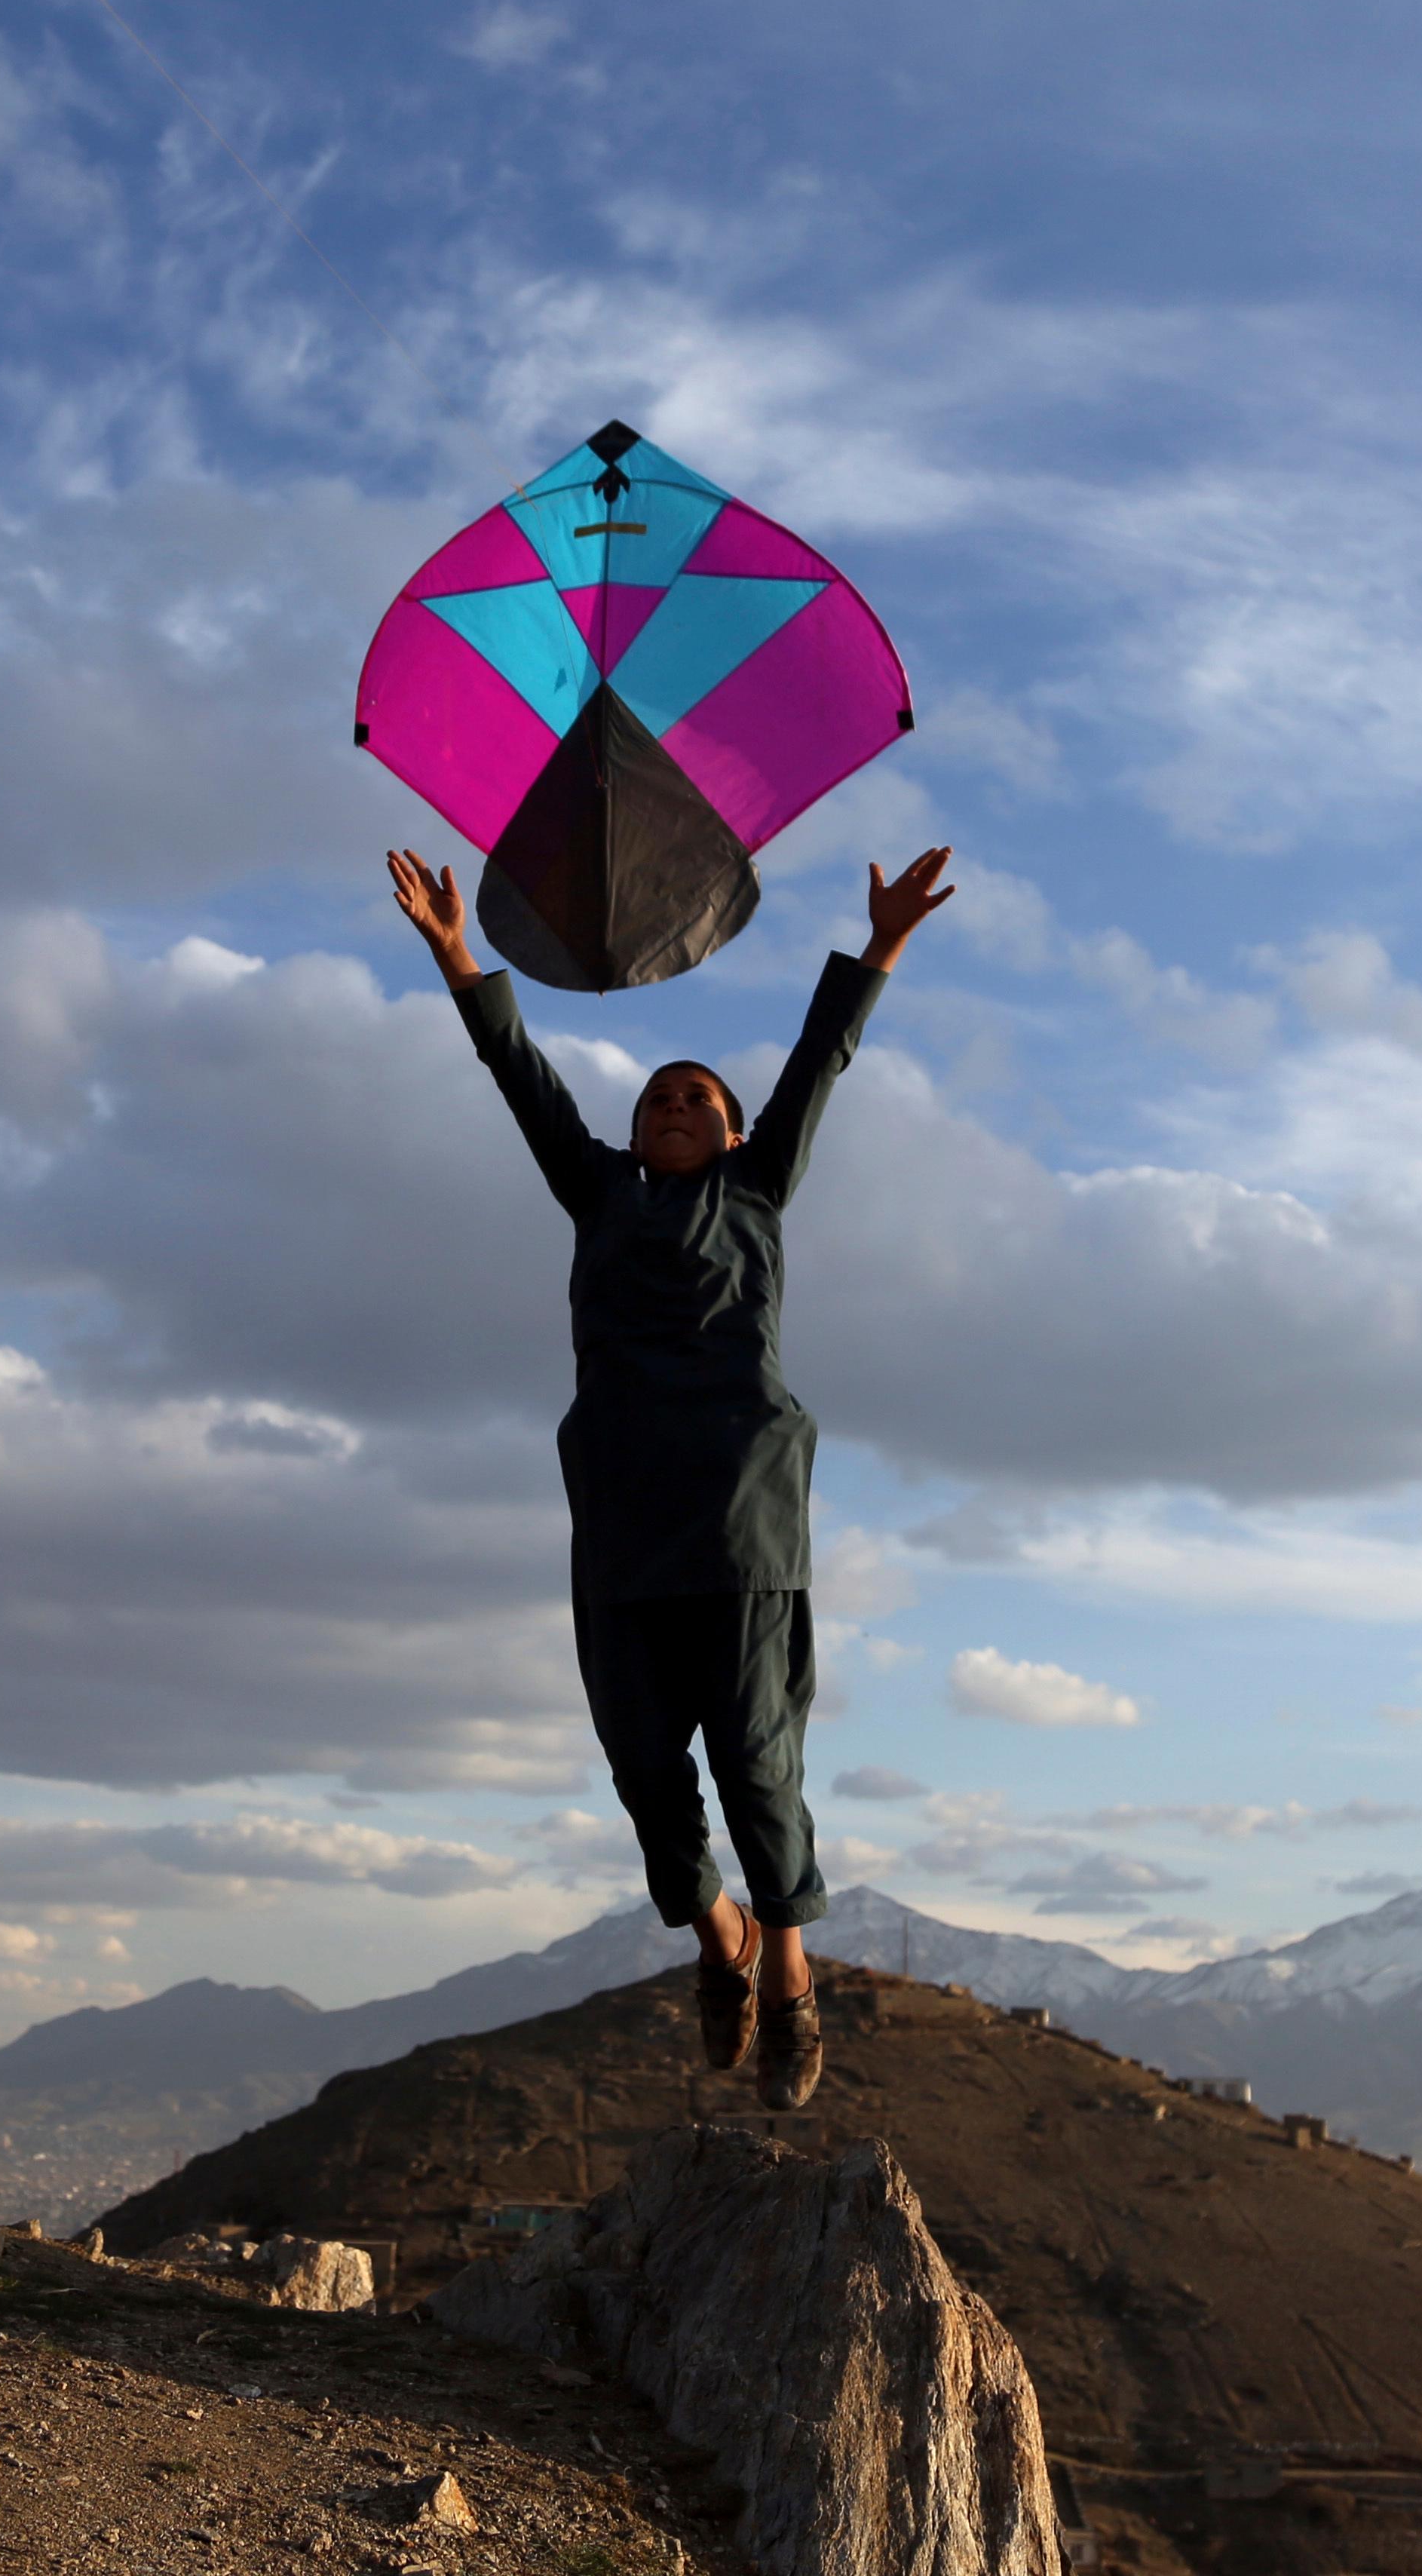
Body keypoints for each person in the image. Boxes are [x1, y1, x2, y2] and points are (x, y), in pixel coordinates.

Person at [389, 842, 957, 2109]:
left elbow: (822, 1065)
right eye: (657, 1102)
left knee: (757, 1755)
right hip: (623, 1520)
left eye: (699, 1100)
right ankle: (722, 1942)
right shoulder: (598, 1196)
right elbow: (520, 1077)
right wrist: (456, 955)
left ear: (738, 1130)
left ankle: (791, 1972)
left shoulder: (759, 1195)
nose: (675, 1111)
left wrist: (881, 950)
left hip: (744, 1517)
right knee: (645, 1762)